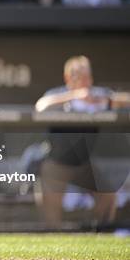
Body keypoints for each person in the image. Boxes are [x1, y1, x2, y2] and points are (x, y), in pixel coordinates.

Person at [34, 56, 124, 229]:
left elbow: (123, 100)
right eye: (79, 76)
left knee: (108, 194)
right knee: (50, 212)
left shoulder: (98, 95)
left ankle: (101, 235)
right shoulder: (58, 94)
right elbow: (40, 106)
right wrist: (74, 95)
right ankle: (52, 239)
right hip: (57, 162)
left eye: (86, 76)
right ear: (68, 78)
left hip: (84, 163)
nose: (84, 81)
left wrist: (106, 100)